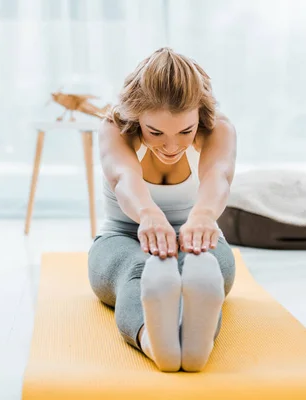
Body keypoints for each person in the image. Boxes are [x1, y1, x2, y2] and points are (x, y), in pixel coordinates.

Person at [87, 47, 237, 373]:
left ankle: (195, 344)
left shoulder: (219, 130)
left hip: (199, 235)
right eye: (155, 133)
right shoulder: (113, 128)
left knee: (201, 265)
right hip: (123, 238)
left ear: (200, 115)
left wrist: (202, 217)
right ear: (137, 116)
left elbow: (217, 177)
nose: (171, 147)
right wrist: (148, 214)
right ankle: (156, 344)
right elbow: (123, 177)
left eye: (186, 132)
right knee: (139, 270)